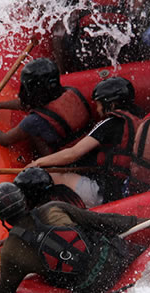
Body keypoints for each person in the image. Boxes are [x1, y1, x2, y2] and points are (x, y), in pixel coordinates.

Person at [0, 181, 150, 293]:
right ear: (24, 201)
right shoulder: (54, 208)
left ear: (0, 217)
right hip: (116, 259)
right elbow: (102, 221)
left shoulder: (11, 251)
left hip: (91, 288)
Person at [28, 76, 142, 205]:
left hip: (104, 195)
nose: (98, 110)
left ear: (112, 104)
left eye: (99, 105)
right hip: (126, 191)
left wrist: (38, 163)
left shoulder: (110, 123)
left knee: (50, 176)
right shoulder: (140, 120)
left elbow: (72, 154)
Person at [0, 58, 92, 156]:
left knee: (34, 132)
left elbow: (4, 139)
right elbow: (28, 104)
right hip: (87, 147)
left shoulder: (34, 121)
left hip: (63, 160)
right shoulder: (71, 91)